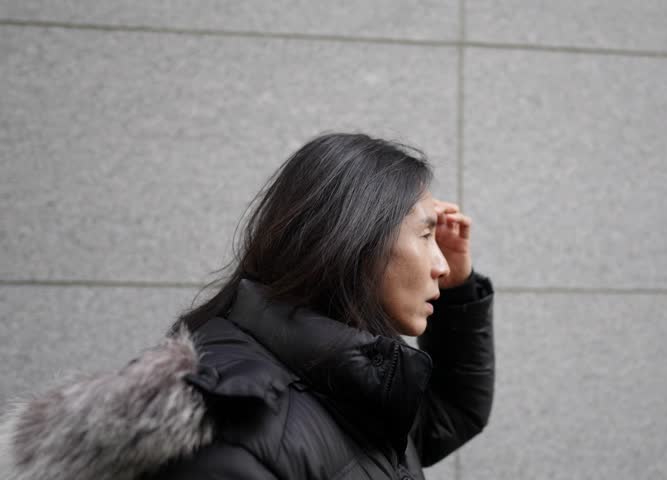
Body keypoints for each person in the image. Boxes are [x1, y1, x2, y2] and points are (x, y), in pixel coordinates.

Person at [1, 133, 495, 480]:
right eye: (425, 236)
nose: (439, 265)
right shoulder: (233, 426)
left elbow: (448, 414)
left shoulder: (344, 378)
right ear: (353, 242)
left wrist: (459, 290)